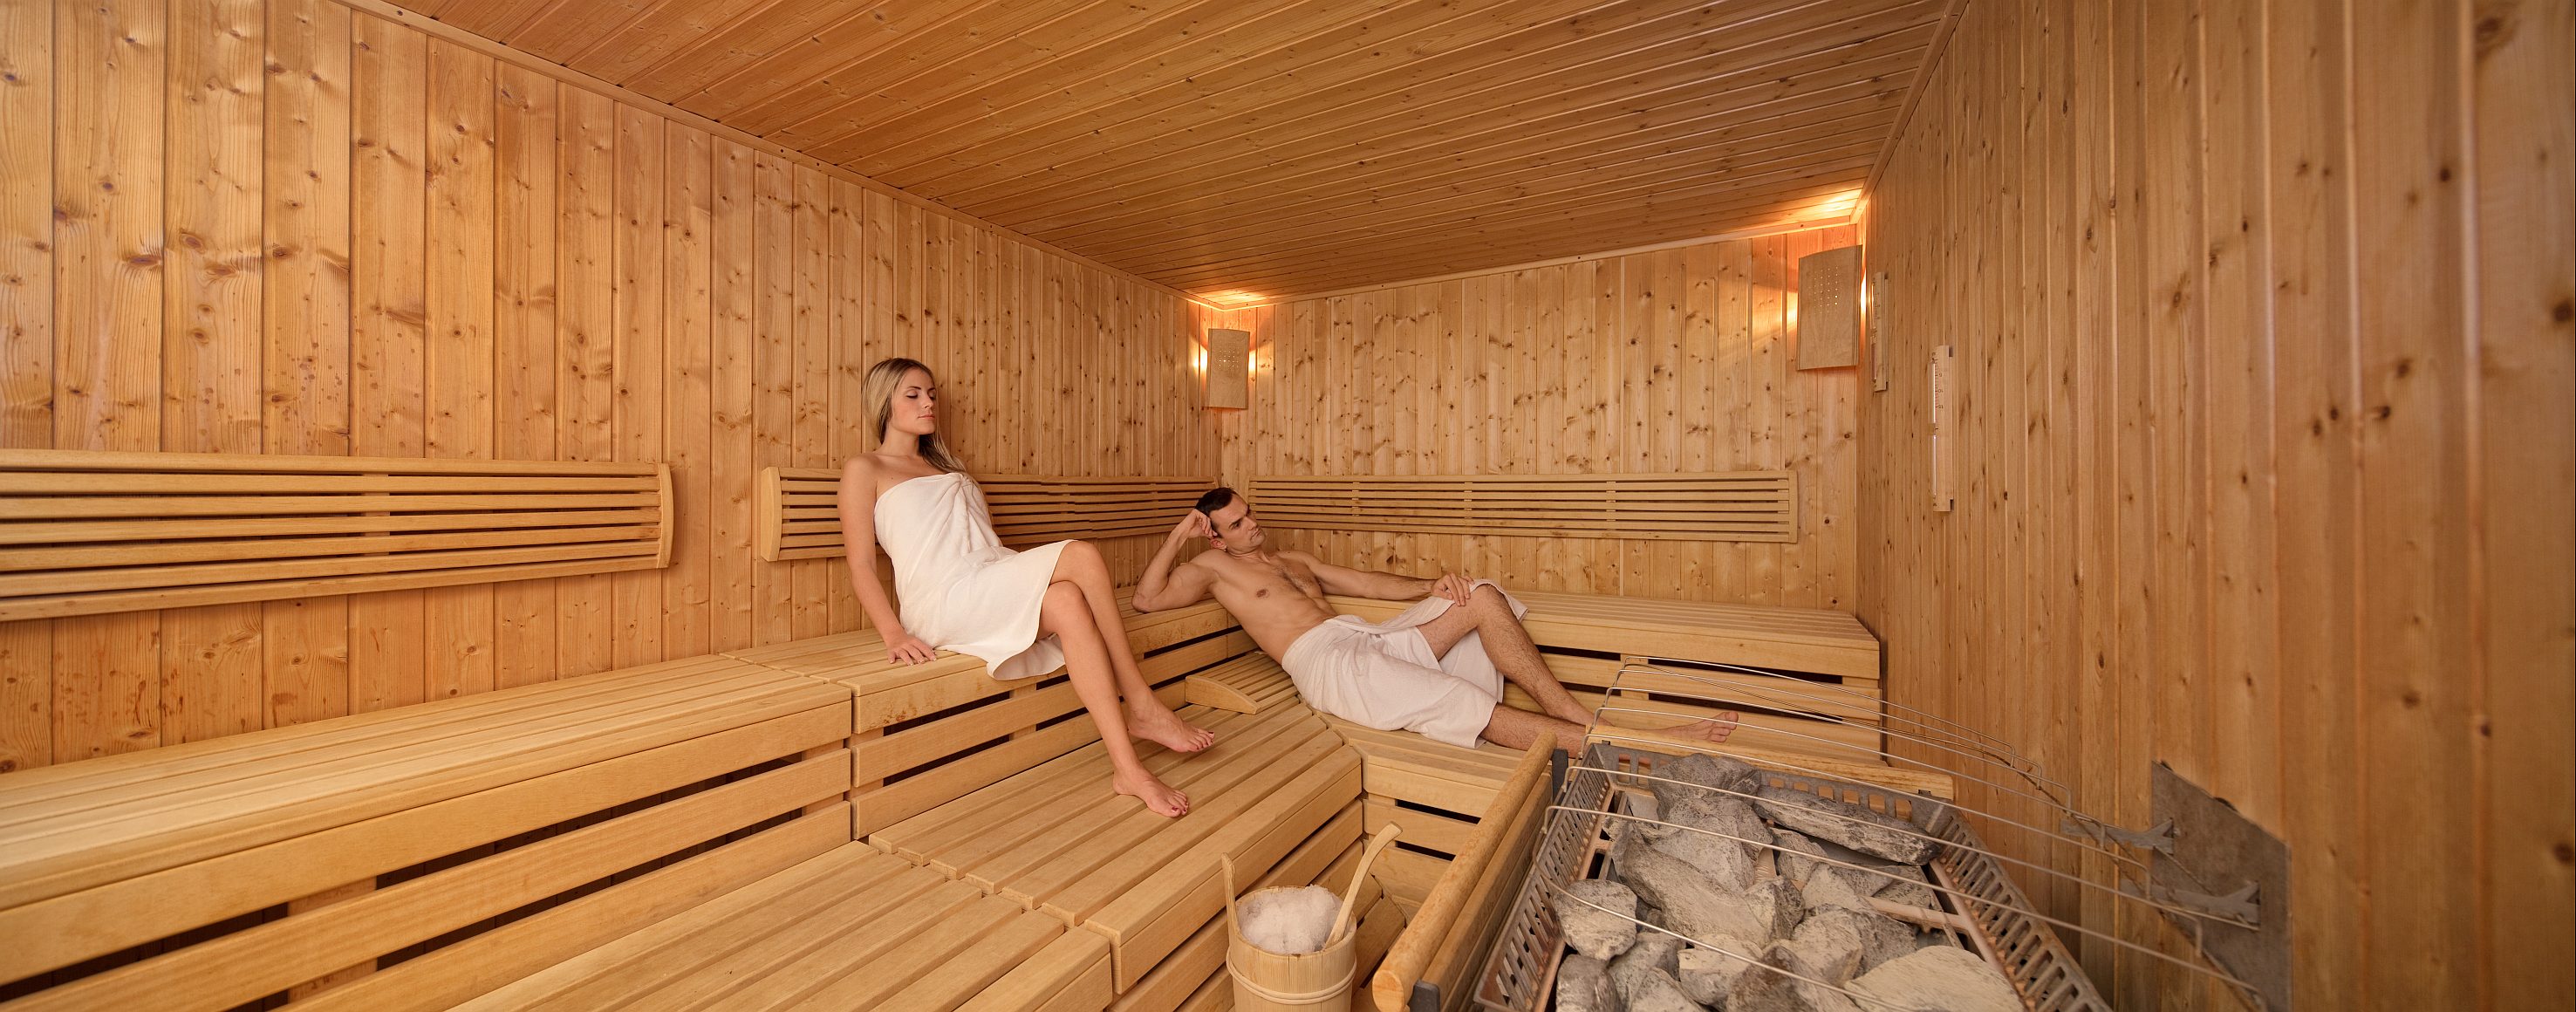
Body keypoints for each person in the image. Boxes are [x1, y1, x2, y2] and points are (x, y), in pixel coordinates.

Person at [837, 358, 1213, 817]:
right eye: (913, 395)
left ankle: (1128, 770)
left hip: (986, 578)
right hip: (942, 598)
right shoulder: (866, 467)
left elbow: (978, 545)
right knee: (1083, 555)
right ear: (884, 403)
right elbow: (859, 563)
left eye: (931, 393)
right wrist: (894, 634)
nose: (928, 403)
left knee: (1069, 601)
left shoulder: (948, 467)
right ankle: (1141, 701)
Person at [1131, 487, 1739, 755]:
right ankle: (1638, 745)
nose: (1251, 525)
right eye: (1236, 524)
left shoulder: (1290, 559)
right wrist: (1176, 536)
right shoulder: (1211, 571)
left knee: (1477, 594)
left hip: (1364, 639)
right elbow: (1146, 601)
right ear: (1212, 536)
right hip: (1328, 666)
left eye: (1248, 514)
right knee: (1459, 701)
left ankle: (1576, 716)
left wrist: (1430, 586)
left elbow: (1364, 583)